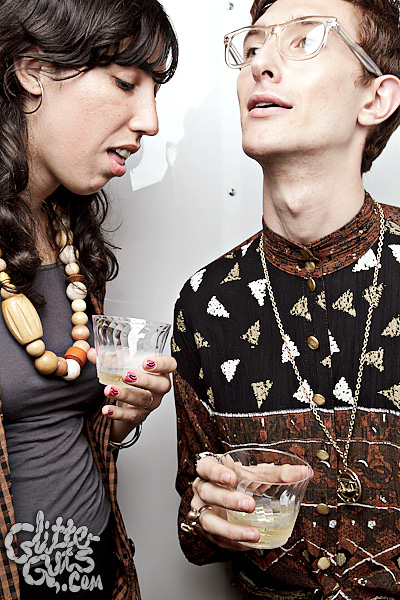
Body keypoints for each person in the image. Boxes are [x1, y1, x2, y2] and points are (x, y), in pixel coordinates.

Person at [172, 0, 400, 598]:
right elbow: (194, 537)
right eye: (252, 46)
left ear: (375, 98)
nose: (260, 63)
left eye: (304, 40)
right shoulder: (205, 301)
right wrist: (207, 512)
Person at [0, 0, 178, 598]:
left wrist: (117, 415)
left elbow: (49, 420)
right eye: (126, 83)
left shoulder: (67, 230)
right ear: (33, 69)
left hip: (100, 568)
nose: (150, 121)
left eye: (154, 91)